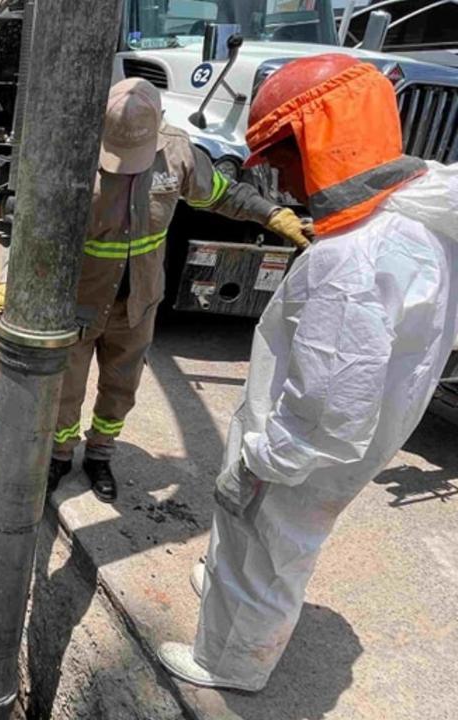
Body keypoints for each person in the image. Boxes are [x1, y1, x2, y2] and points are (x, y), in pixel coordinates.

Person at [157, 55, 458, 692]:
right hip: (355, 433)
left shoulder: (352, 260)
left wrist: (267, 459)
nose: (276, 176)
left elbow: (333, 403)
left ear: (319, 138)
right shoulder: (417, 212)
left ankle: (231, 663)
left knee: (268, 543)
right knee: (258, 537)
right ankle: (226, 590)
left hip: (305, 448)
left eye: (281, 155)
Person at [0, 78, 311, 502]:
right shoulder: (73, 157)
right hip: (77, 302)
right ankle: (60, 453)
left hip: (138, 303)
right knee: (65, 388)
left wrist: (273, 214)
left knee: (121, 387)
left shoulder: (178, 154)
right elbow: (35, 232)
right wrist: (10, 283)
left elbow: (224, 196)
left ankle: (100, 453)